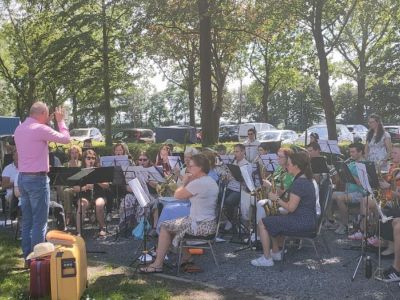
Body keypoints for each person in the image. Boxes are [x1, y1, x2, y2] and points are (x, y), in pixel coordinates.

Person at [140, 154, 219, 273]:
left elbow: (177, 195)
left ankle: (157, 264)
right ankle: (186, 257)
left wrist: (184, 182)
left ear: (200, 168)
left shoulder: (199, 183)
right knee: (173, 223)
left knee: (164, 226)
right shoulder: (209, 180)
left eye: (191, 166)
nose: (188, 169)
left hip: (200, 226)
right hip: (208, 223)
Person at [14, 102, 71, 261]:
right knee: (40, 222)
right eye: (47, 115)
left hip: (23, 177)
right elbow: (66, 139)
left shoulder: (19, 129)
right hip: (37, 179)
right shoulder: (39, 128)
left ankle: (27, 256)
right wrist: (60, 121)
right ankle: (36, 259)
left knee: (27, 221)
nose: (48, 118)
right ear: (41, 114)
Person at [251, 152, 316, 267]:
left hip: (302, 222)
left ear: (296, 166)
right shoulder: (305, 179)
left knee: (262, 223)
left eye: (289, 164)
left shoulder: (299, 183)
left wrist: (276, 199)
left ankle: (267, 259)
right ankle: (275, 252)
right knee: (271, 219)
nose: (287, 166)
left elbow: (291, 208)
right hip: (307, 220)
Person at [332, 143, 369, 235]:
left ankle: (345, 224)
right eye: (350, 152)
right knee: (329, 194)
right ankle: (330, 220)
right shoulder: (352, 163)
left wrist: (347, 172)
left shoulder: (364, 165)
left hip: (360, 193)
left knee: (340, 198)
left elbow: (361, 183)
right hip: (349, 191)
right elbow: (344, 178)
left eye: (353, 152)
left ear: (360, 152)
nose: (350, 154)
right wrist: (338, 172)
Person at [119, 151, 159, 234]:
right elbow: (127, 187)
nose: (142, 162)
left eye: (145, 160)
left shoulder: (152, 170)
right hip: (135, 194)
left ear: (149, 160)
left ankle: (140, 227)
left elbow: (157, 186)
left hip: (150, 195)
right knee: (126, 200)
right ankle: (125, 225)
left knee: (143, 202)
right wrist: (135, 188)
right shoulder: (132, 171)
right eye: (140, 160)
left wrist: (147, 180)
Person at [74, 149, 109, 237]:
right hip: (85, 195)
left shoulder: (99, 170)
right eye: (88, 158)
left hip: (98, 194)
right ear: (84, 159)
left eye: (93, 158)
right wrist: (85, 187)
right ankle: (78, 231)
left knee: (99, 204)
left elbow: (107, 185)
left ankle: (102, 228)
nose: (91, 160)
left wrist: (96, 179)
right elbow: (75, 188)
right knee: (82, 205)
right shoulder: (80, 171)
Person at [256, 148, 294, 222]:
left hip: (281, 201)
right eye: (277, 156)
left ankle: (260, 231)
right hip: (271, 196)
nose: (277, 158)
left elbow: (282, 192)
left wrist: (270, 185)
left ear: (288, 158)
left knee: (260, 204)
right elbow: (272, 179)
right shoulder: (279, 168)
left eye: (280, 157)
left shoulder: (290, 173)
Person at [222, 144, 251, 232]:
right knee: (217, 197)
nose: (235, 154)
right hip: (229, 187)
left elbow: (248, 183)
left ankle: (231, 221)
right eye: (234, 151)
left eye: (237, 151)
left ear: (243, 152)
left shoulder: (247, 165)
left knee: (228, 201)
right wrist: (226, 176)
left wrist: (238, 177)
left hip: (240, 190)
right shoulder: (233, 163)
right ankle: (226, 220)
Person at [61, 145, 82, 226]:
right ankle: (69, 214)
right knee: (66, 191)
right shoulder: (65, 165)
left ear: (79, 153)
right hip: (70, 187)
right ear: (69, 154)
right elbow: (63, 179)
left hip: (80, 187)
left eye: (76, 152)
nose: (74, 154)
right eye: (72, 153)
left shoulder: (82, 164)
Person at [1, 149, 18, 215]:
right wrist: (16, 183)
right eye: (17, 155)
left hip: (26, 191)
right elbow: (4, 186)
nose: (19, 157)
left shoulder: (27, 167)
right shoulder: (8, 168)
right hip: (11, 193)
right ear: (13, 156)